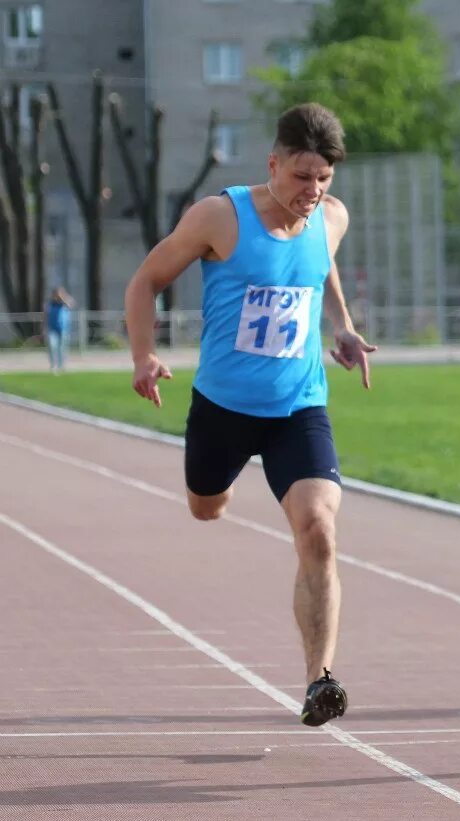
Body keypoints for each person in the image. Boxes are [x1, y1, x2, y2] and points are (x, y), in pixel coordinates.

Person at [123, 103, 376, 726]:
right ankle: (222, 487)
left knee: (319, 528)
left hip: (298, 405)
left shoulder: (330, 218)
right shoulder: (220, 216)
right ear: (273, 164)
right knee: (205, 507)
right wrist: (143, 356)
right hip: (223, 408)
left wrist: (342, 327)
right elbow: (144, 281)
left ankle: (319, 679)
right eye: (299, 178)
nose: (311, 192)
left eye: (322, 179)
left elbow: (322, 268)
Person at [44, 286, 75, 373]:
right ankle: (53, 365)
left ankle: (62, 366)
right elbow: (45, 315)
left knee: (63, 348)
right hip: (52, 329)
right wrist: (43, 327)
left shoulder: (65, 303)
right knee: (52, 346)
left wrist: (63, 297)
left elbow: (71, 304)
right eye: (57, 293)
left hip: (64, 329)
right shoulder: (50, 304)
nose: (58, 295)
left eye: (60, 293)